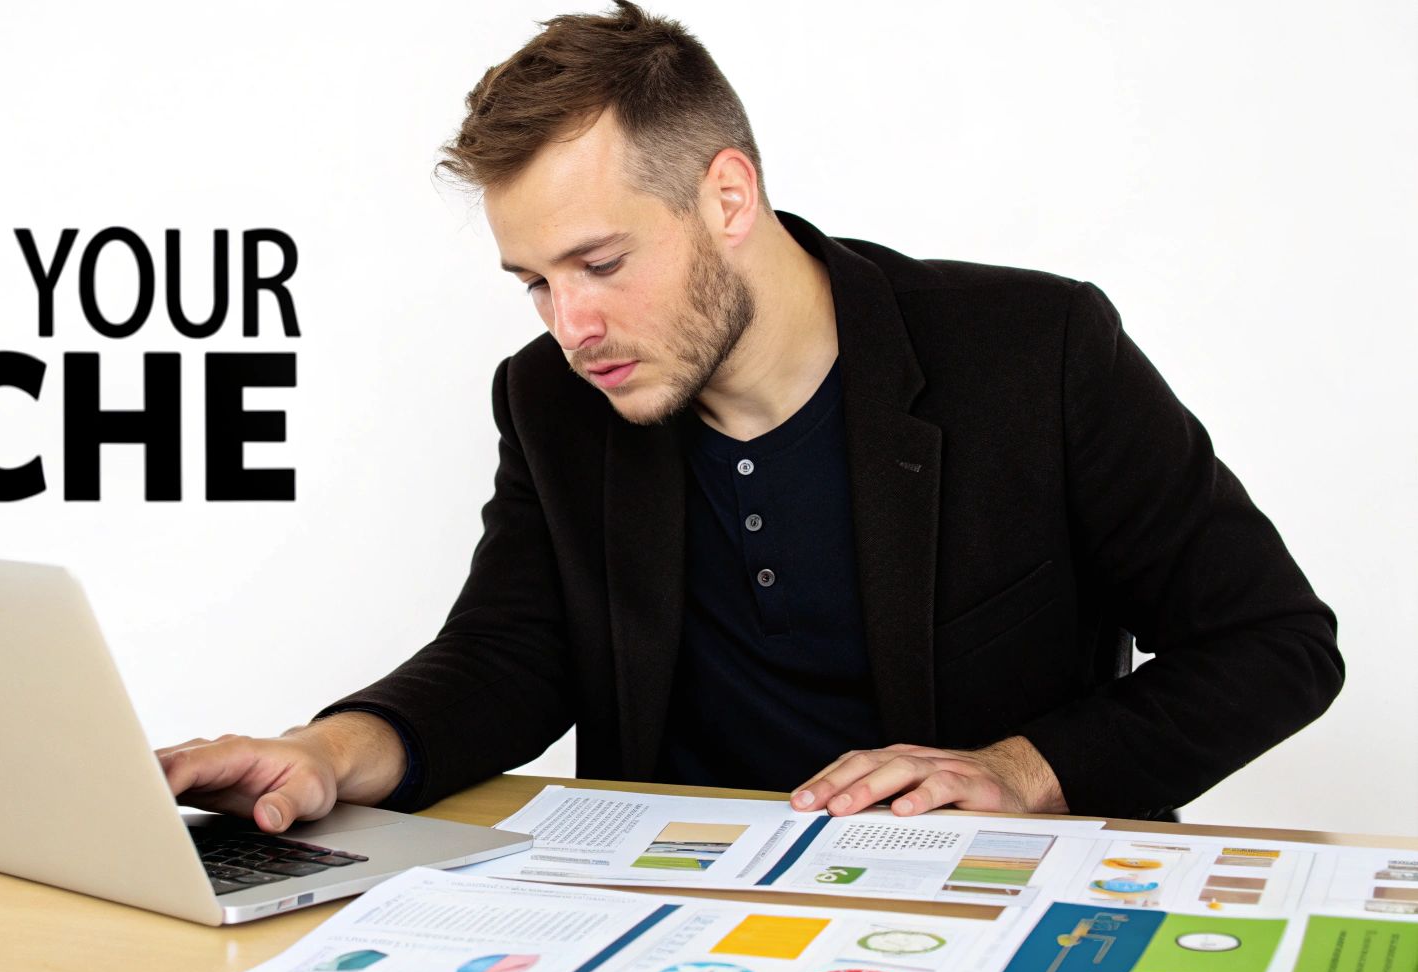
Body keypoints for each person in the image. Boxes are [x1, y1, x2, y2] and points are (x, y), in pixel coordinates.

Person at [157, 1, 1342, 831]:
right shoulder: (551, 399)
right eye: (533, 282)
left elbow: (1271, 644)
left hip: (972, 916)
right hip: (667, 930)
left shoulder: (1032, 352)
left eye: (600, 262)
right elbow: (510, 655)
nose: (570, 326)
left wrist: (1022, 771)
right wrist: (327, 752)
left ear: (727, 194)